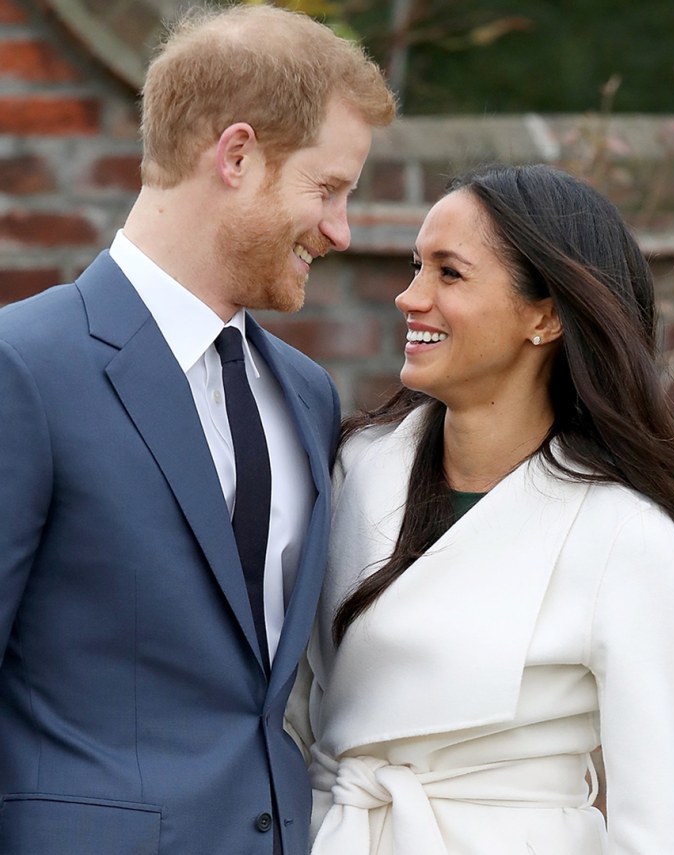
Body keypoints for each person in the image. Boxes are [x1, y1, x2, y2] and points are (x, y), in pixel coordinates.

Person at [0, 5, 394, 855]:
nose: (341, 231)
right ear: (238, 155)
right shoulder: (22, 368)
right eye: (327, 190)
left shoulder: (307, 393)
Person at [288, 163, 674, 854]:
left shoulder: (625, 538)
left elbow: (649, 832)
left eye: (449, 273)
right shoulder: (355, 468)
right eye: (418, 266)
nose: (409, 296)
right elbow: (294, 709)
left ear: (543, 315)